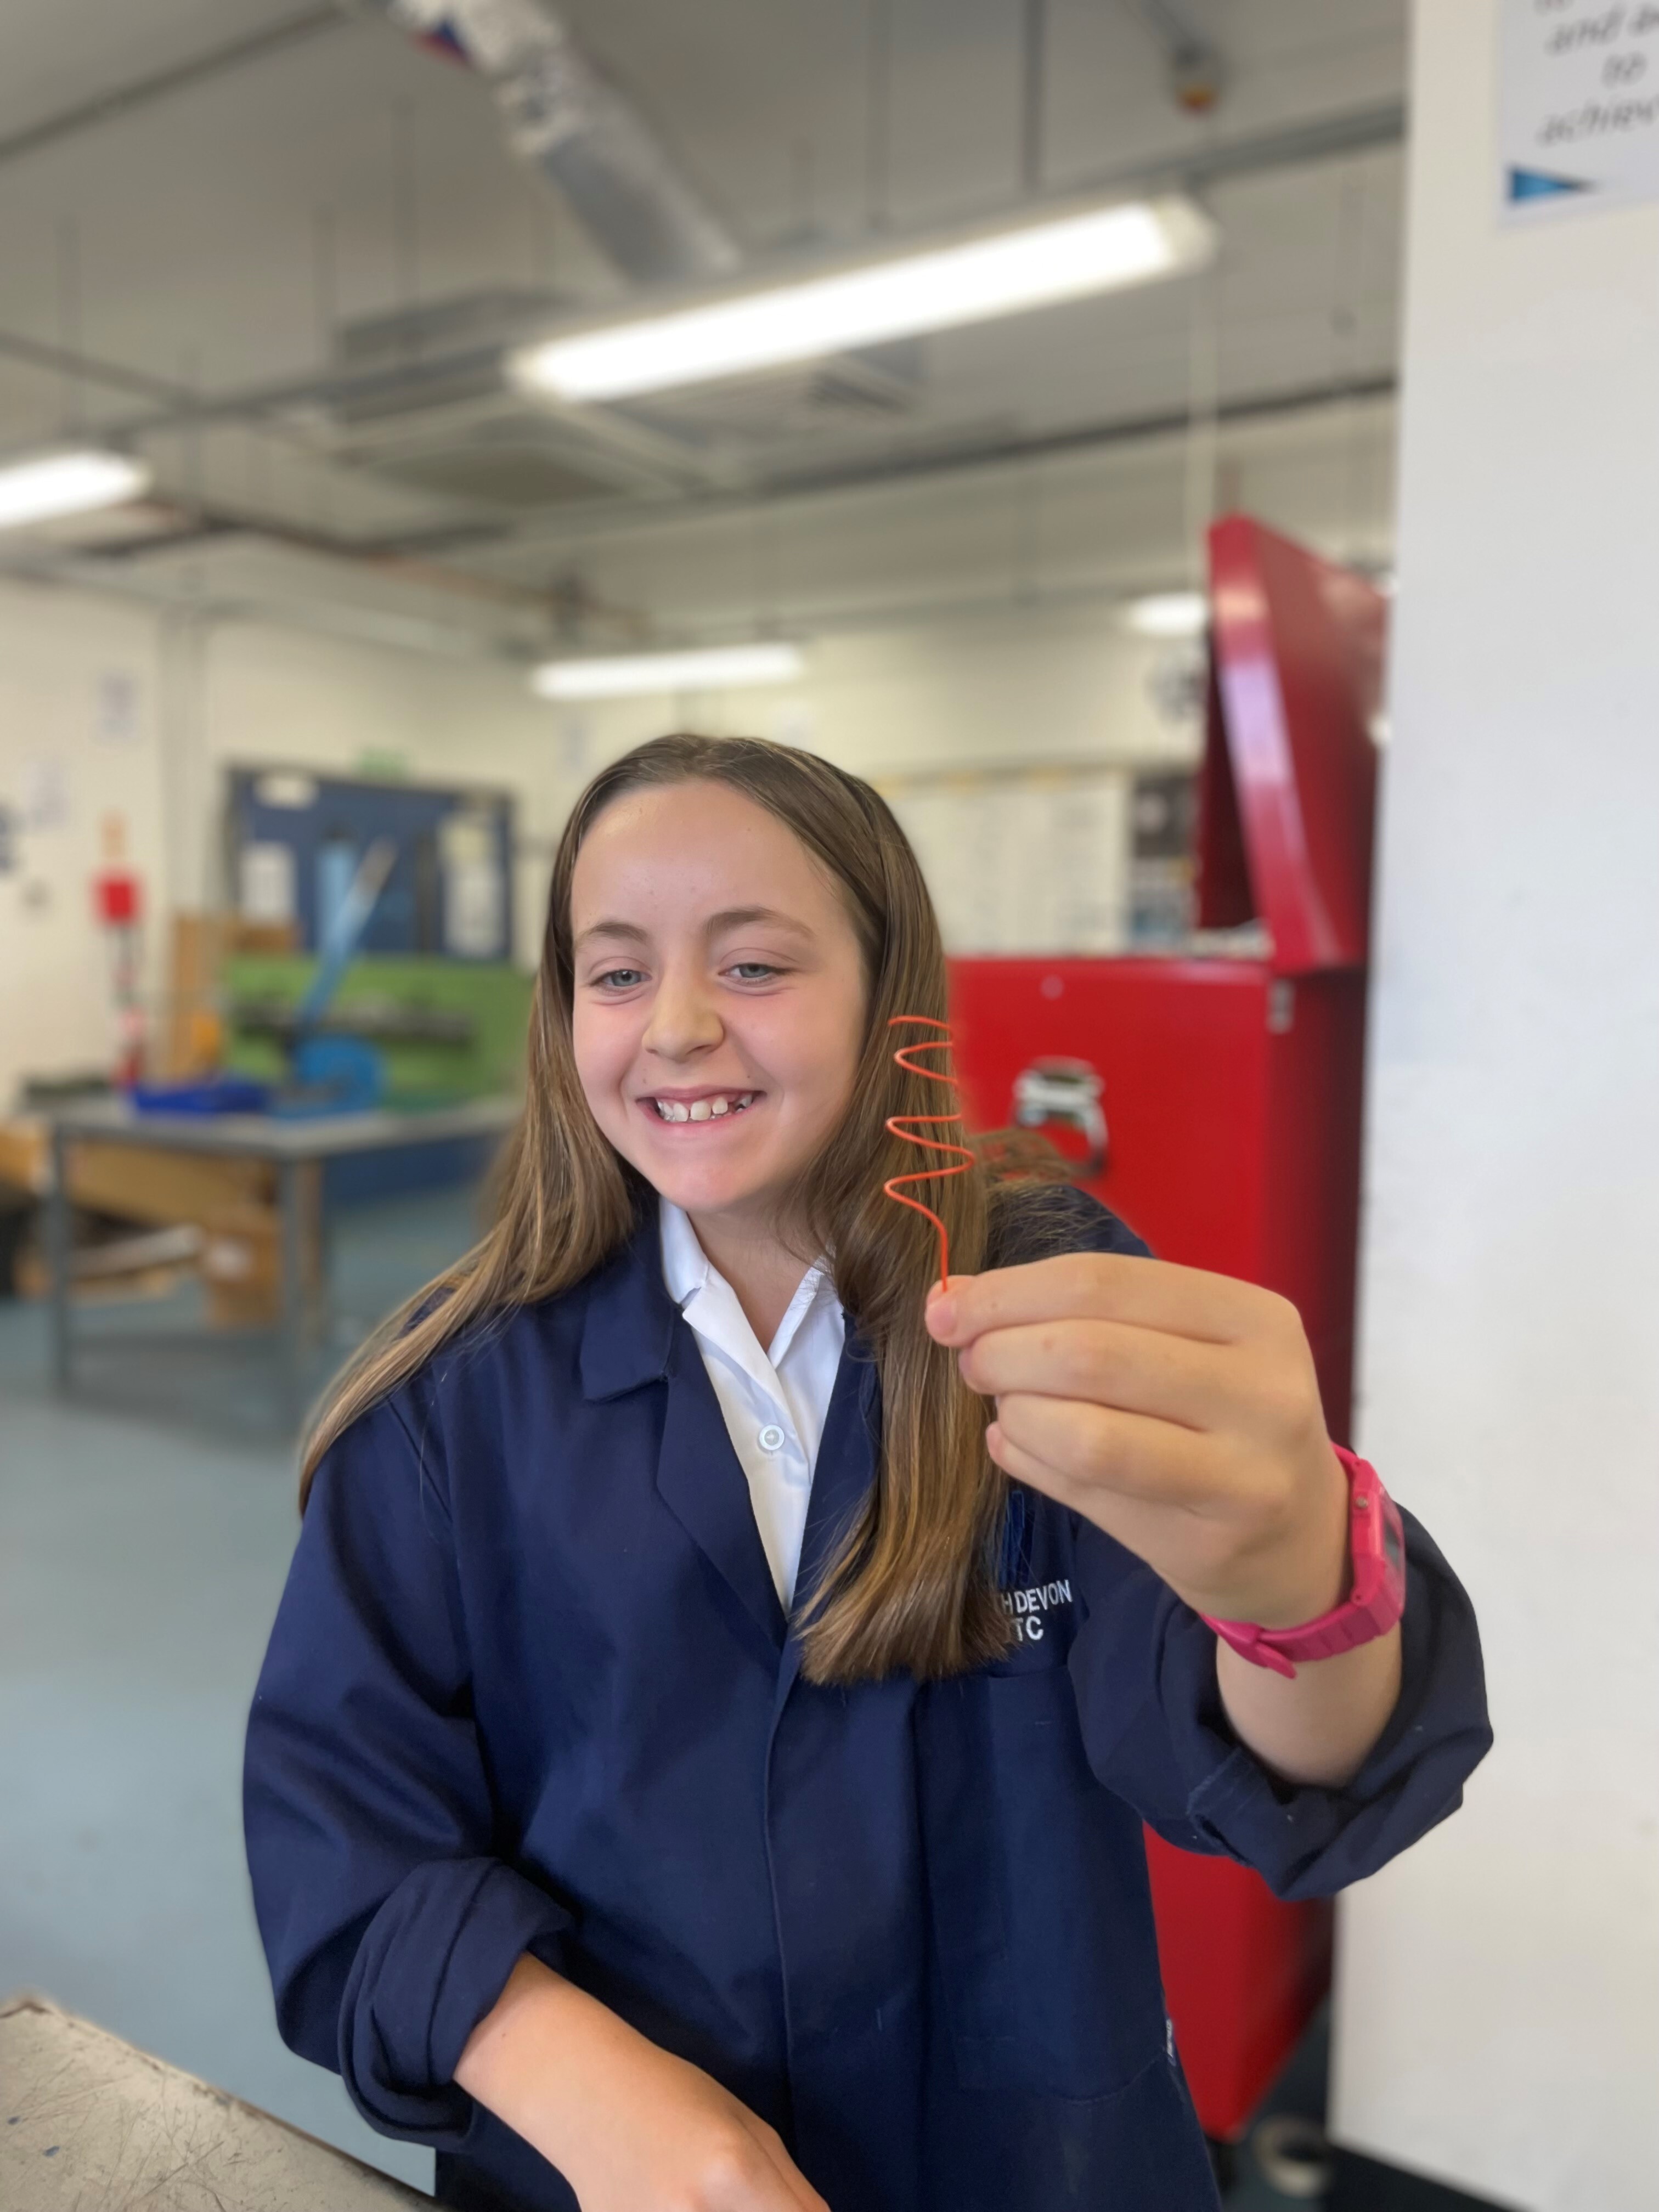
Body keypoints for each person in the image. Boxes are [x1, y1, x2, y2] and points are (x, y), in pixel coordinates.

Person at [244, 733, 1490, 2212]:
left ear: (890, 994)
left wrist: (1297, 1585)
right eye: (617, 971)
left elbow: (1281, 1764)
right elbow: (345, 1849)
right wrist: (592, 2088)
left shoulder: (1042, 1306)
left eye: (756, 965)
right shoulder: (449, 1401)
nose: (679, 1025)